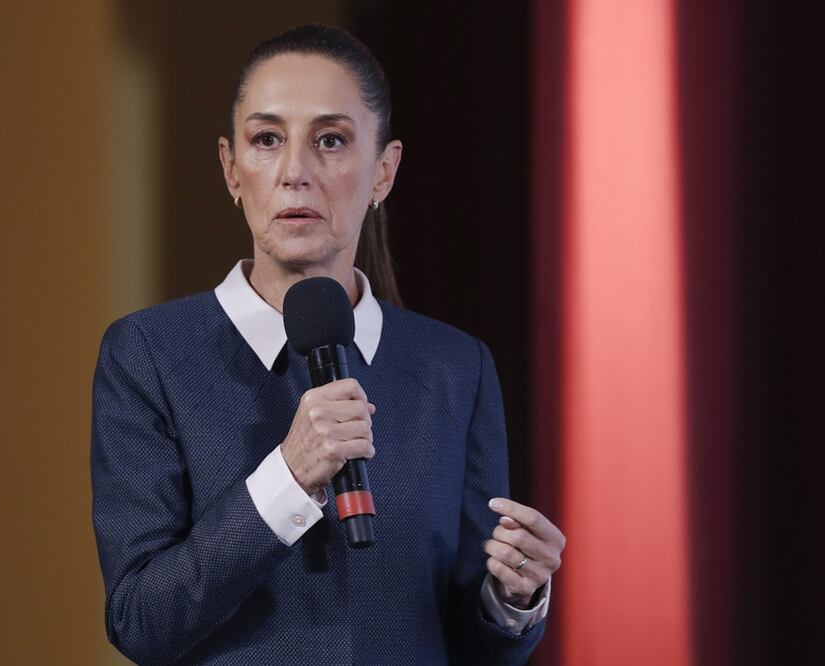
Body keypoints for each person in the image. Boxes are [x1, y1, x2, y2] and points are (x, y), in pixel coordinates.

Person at [90, 23, 566, 665]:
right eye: (266, 140)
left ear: (384, 171)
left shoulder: (455, 368)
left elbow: (469, 644)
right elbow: (141, 622)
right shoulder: (148, 355)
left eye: (331, 141)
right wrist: (288, 475)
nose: (295, 173)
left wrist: (512, 599)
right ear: (231, 170)